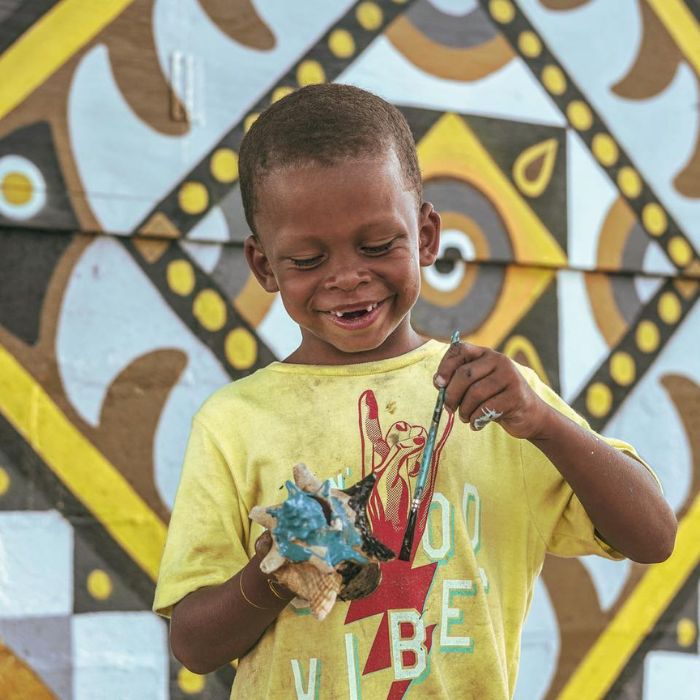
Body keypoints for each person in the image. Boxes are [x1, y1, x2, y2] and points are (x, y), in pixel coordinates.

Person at [153, 84, 676, 699]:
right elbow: (193, 645)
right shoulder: (234, 422)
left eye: (379, 246)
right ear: (264, 266)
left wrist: (544, 422)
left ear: (427, 236)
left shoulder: (502, 404)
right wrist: (279, 566)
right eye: (306, 260)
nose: (348, 277)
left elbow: (653, 537)